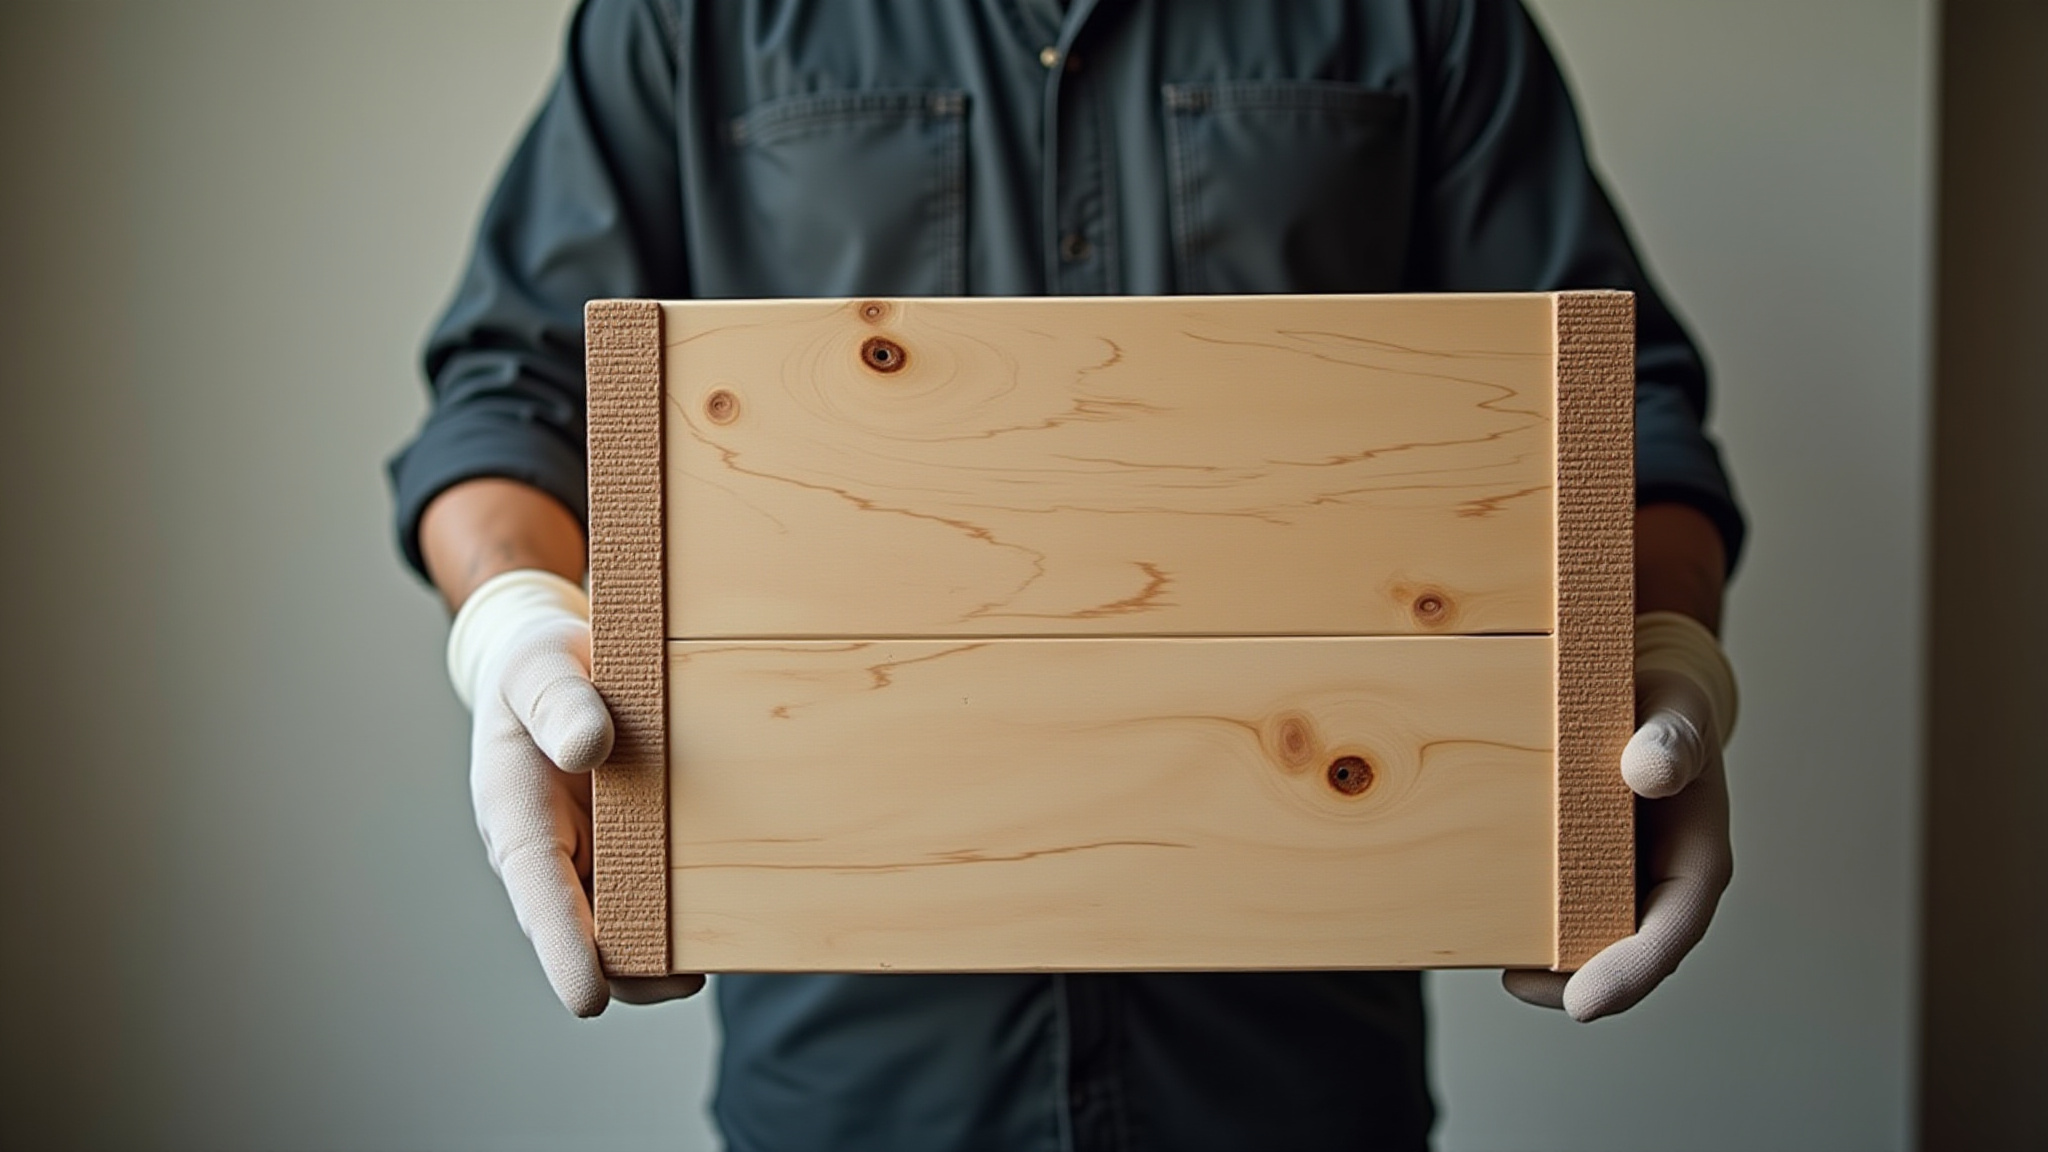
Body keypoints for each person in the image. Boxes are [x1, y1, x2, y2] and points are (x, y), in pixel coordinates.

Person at [390, 2, 1744, 1147]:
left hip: (1296, 1076)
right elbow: (511, 397)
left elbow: (1622, 416)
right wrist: (513, 625)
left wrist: (1660, 638)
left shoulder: (1425, 13)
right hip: (857, 1083)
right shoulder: (695, 16)